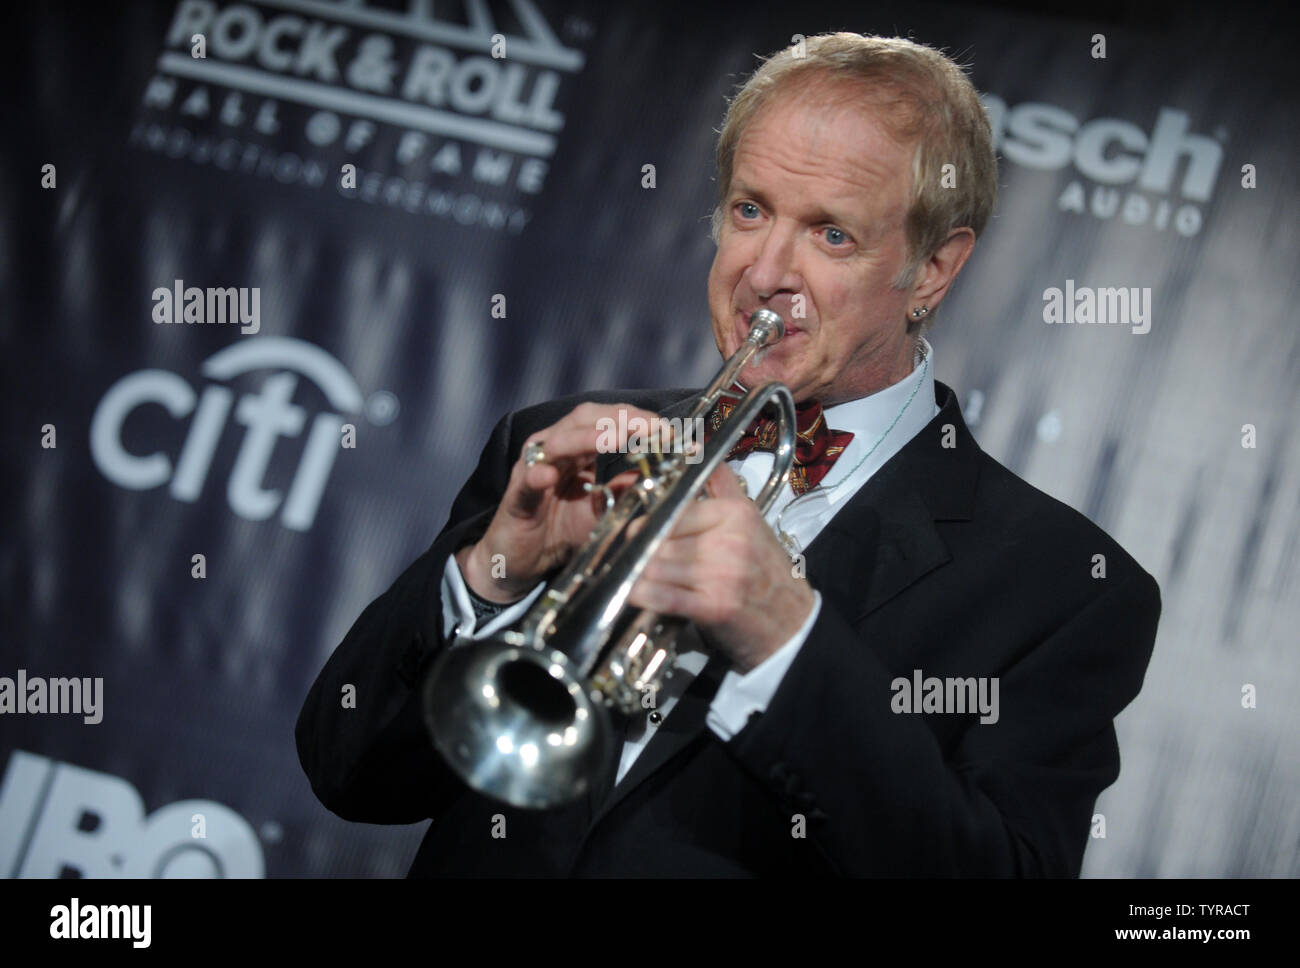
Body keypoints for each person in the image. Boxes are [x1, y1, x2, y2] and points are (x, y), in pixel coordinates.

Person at [296, 33, 1161, 877]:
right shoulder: (566, 439)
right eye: (751, 211)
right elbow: (347, 768)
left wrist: (786, 642)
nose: (765, 272)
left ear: (933, 269)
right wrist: (493, 572)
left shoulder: (1063, 589)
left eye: (831, 235)